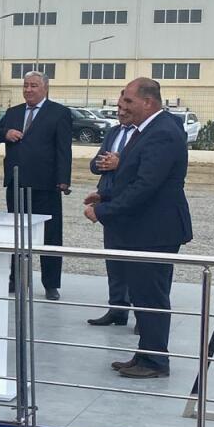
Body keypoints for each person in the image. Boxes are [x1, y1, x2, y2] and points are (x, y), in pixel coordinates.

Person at [85, 77, 192, 379]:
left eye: (129, 101)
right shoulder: (147, 130)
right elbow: (133, 176)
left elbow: (146, 186)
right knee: (143, 296)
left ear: (148, 102)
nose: (123, 107)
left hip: (155, 231)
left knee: (152, 297)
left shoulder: (163, 133)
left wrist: (102, 211)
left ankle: (156, 361)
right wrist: (105, 196)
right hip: (142, 229)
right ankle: (145, 354)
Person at [0, 70, 72, 301]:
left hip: (46, 185)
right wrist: (5, 133)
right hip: (17, 184)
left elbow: (63, 149)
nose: (28, 89)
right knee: (17, 234)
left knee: (50, 235)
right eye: (25, 85)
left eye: (34, 85)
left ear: (45, 88)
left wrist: (63, 179)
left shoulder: (59, 113)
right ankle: (16, 279)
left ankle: (51, 284)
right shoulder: (13, 112)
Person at [86, 101, 136, 326]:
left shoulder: (142, 135)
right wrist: (103, 163)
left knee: (136, 262)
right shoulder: (113, 132)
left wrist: (120, 163)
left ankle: (143, 315)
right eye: (119, 109)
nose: (121, 113)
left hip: (133, 202)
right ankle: (117, 309)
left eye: (126, 109)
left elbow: (142, 167)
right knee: (114, 259)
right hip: (108, 200)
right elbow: (94, 164)